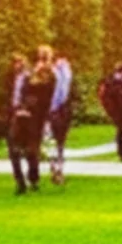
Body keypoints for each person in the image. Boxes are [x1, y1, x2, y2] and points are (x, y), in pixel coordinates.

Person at [8, 52, 56, 195]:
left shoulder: (47, 84)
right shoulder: (27, 80)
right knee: (14, 150)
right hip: (21, 118)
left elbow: (44, 103)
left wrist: (30, 108)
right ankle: (20, 181)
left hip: (35, 121)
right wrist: (20, 108)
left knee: (31, 151)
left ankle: (33, 178)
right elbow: (21, 95)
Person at [43, 46, 73, 186]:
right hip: (61, 109)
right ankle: (58, 167)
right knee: (58, 141)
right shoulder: (64, 71)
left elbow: (58, 92)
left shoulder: (55, 72)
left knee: (51, 140)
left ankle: (56, 167)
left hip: (53, 110)